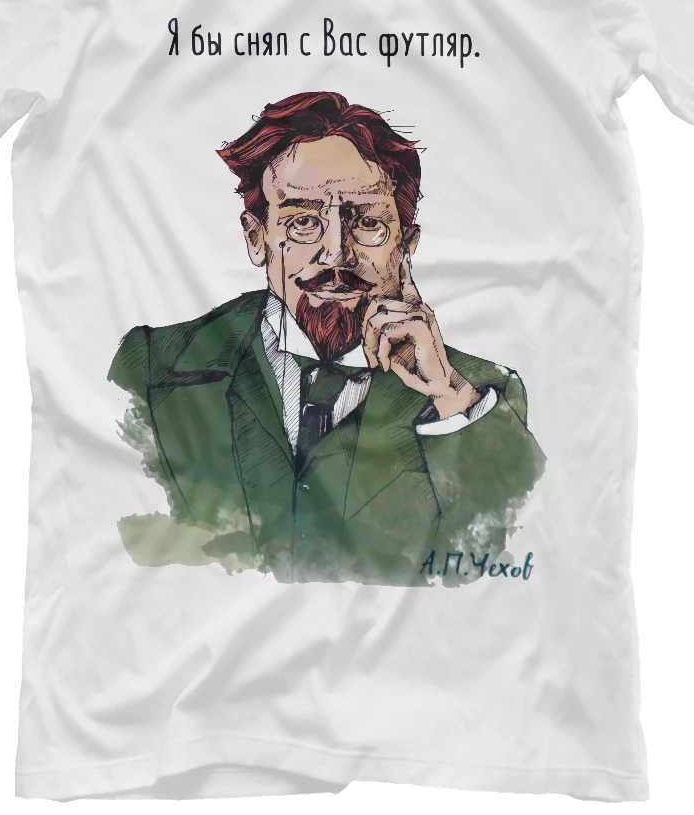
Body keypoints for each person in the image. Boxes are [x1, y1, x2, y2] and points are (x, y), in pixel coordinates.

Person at [108, 91, 545, 585]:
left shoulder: (478, 397)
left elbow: (506, 553)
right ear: (256, 238)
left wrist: (446, 393)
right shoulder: (151, 367)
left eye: (369, 223)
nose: (336, 254)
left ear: (407, 246)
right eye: (302, 222)